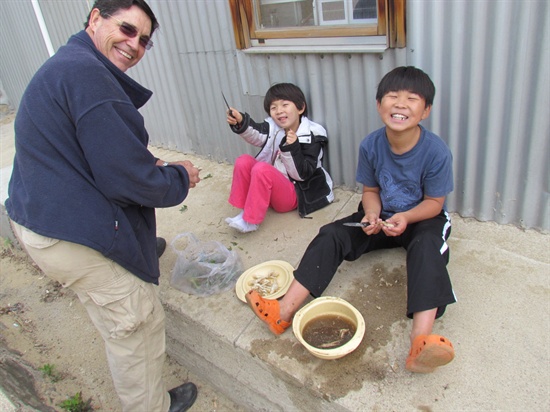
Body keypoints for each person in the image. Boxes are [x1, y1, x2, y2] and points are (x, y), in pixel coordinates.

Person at [5, 1, 201, 411]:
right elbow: (131, 182)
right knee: (138, 319)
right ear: (95, 18)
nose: (134, 45)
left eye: (144, 40)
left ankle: (132, 254)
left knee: (115, 305)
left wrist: (144, 161)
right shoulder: (90, 77)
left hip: (42, 214)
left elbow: (92, 147)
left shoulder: (71, 62)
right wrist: (179, 176)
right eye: (127, 30)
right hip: (69, 235)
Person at [245, 67, 456, 374]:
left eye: (411, 99)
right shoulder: (371, 144)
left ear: (425, 111)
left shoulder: (436, 151)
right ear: (378, 105)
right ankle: (283, 311)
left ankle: (421, 342)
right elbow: (370, 191)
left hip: (421, 218)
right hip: (380, 217)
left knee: (426, 248)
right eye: (392, 97)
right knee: (332, 233)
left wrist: (406, 217)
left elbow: (435, 204)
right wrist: (371, 214)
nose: (400, 104)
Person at [225, 83, 334, 233]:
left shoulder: (313, 134)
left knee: (262, 169)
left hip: (295, 192)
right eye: (273, 107)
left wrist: (292, 147)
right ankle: (245, 209)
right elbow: (257, 134)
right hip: (273, 186)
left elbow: (302, 175)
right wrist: (241, 121)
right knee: (243, 160)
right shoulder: (274, 126)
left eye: (284, 105)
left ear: (300, 107)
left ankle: (251, 221)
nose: (279, 111)